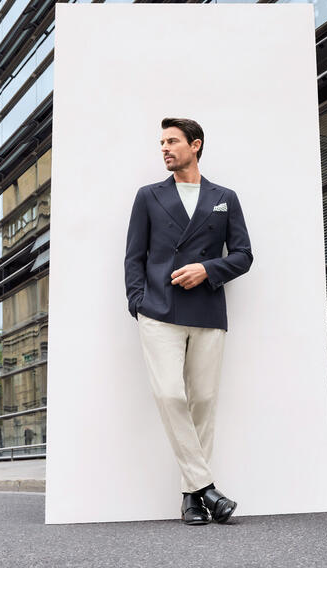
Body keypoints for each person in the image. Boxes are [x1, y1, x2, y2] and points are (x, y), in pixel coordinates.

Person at [124, 117, 253, 525]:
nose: (164, 148)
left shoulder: (224, 197)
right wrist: (138, 303)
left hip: (207, 310)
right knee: (170, 396)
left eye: (172, 141)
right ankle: (208, 488)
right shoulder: (148, 196)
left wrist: (207, 270)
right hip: (159, 310)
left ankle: (192, 498)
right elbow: (134, 257)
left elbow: (244, 255)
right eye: (161, 142)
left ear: (194, 146)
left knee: (203, 403)